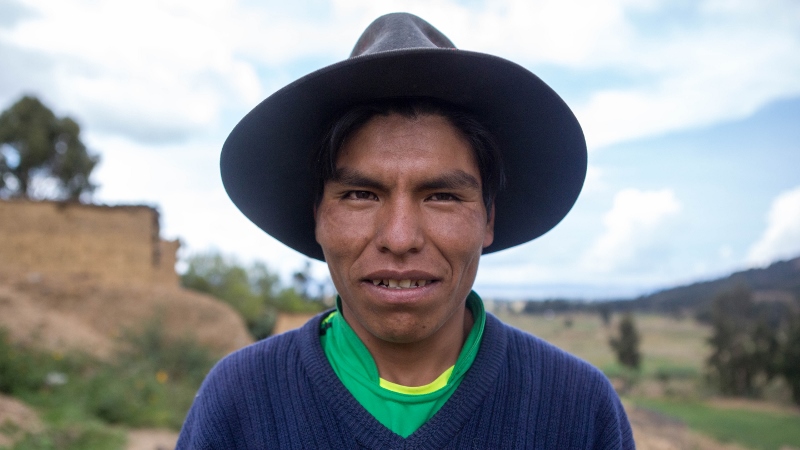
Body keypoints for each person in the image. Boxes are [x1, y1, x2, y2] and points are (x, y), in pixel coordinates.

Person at [177, 12, 635, 449]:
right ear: (317, 215)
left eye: (443, 196)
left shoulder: (577, 409)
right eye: (360, 194)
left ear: (488, 218)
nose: (399, 238)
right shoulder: (238, 402)